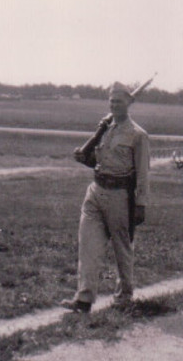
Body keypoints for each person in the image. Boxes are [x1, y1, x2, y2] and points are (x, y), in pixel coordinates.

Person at [61, 82, 150, 313]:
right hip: (95, 191)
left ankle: (124, 296)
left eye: (118, 101)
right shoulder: (104, 129)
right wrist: (84, 157)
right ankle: (84, 299)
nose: (114, 105)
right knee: (88, 245)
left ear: (129, 104)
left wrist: (140, 204)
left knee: (122, 247)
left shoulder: (138, 135)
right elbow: (97, 162)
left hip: (120, 196)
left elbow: (142, 173)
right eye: (111, 101)